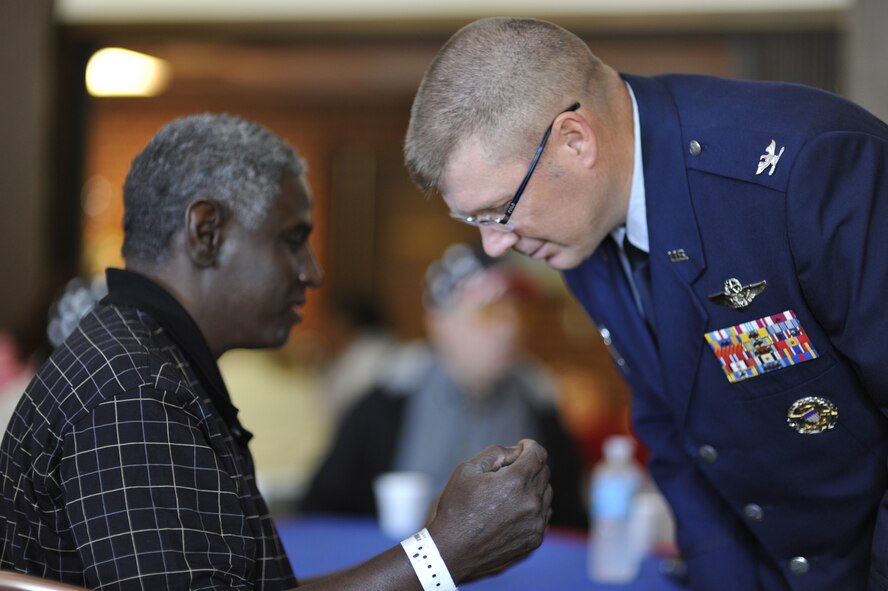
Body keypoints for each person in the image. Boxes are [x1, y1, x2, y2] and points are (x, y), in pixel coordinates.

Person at [403, 16, 888, 591]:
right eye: (472, 221)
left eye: (500, 210)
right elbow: (679, 434)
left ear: (575, 141)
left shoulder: (808, 172)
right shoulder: (578, 226)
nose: (495, 244)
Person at [0, 113, 553, 591]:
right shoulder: (134, 388)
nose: (312, 272)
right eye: (292, 239)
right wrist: (442, 555)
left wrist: (446, 554)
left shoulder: (146, 361)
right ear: (206, 232)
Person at [303, 243, 588, 530]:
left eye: (518, 312)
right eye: (489, 312)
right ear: (438, 322)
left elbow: (568, 519)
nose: (510, 328)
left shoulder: (538, 400)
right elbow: (321, 510)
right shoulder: (387, 399)